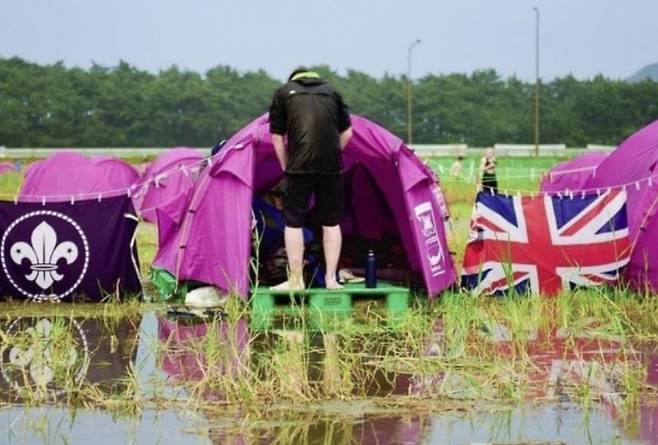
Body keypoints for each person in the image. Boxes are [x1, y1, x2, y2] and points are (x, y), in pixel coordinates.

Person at [268, 67, 353, 291]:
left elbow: (277, 137)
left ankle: (296, 281)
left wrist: (287, 166)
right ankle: (331, 280)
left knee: (293, 223)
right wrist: (335, 155)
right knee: (331, 223)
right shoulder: (333, 93)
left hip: (299, 167)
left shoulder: (284, 93)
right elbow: (348, 133)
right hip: (331, 168)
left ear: (293, 80)